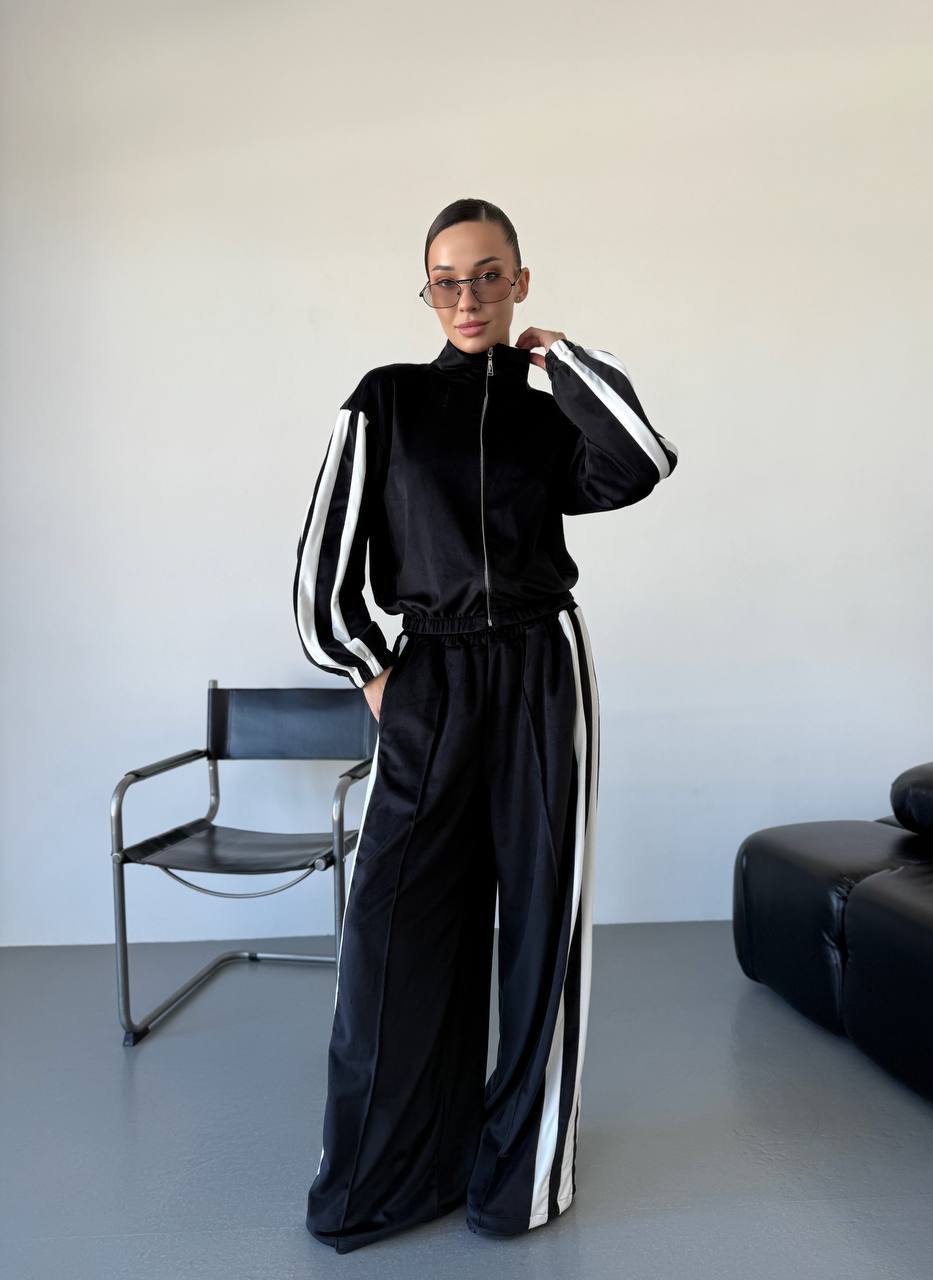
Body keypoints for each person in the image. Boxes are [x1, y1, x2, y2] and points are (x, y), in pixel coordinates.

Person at [293, 197, 678, 1253]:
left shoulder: (547, 414)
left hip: (543, 670)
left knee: (542, 919)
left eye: (488, 276)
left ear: (520, 281)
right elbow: (324, 562)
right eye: (446, 281)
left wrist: (568, 359)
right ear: (427, 290)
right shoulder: (386, 398)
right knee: (396, 926)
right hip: (431, 672)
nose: (467, 298)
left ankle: (520, 1177)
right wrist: (373, 670)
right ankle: (385, 1176)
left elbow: (642, 461)